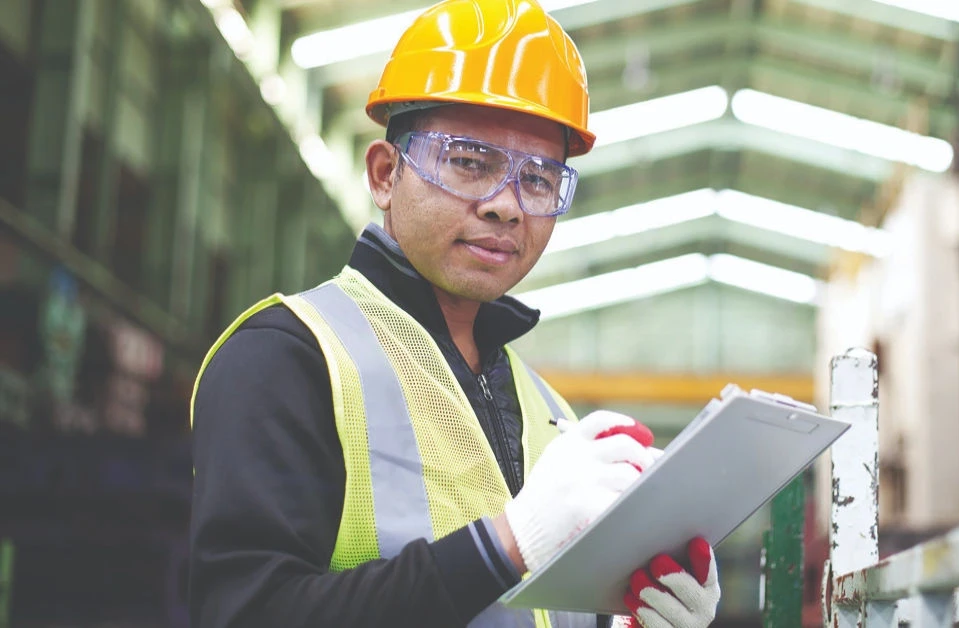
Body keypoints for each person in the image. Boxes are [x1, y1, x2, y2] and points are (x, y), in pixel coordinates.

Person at [187, 0, 722, 626]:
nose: (507, 206)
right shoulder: (288, 357)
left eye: (540, 179)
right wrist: (504, 544)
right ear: (386, 175)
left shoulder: (550, 413)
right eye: (470, 162)